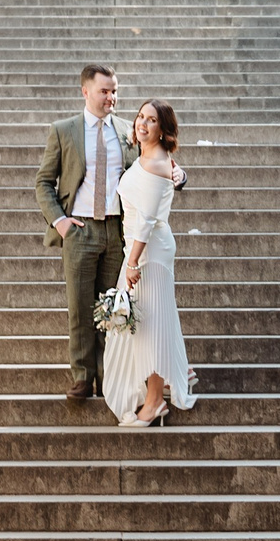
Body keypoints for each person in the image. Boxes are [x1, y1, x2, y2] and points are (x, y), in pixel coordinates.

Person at [36, 66, 185, 401]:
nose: (111, 98)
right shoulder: (64, 131)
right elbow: (44, 181)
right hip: (80, 229)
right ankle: (81, 377)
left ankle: (108, 378)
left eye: (115, 91)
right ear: (85, 92)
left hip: (117, 231)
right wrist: (60, 221)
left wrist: (178, 173)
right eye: (104, 91)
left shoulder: (127, 131)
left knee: (115, 308)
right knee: (80, 307)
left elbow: (152, 162)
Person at [101, 99, 196, 427]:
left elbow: (146, 220)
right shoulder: (145, 155)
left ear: (162, 128)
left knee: (150, 326)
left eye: (151, 120)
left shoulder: (157, 163)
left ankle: (155, 401)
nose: (142, 123)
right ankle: (172, 372)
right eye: (140, 116)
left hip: (148, 252)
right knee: (146, 324)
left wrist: (133, 262)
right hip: (140, 249)